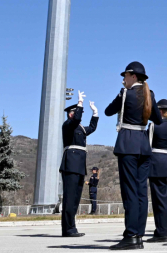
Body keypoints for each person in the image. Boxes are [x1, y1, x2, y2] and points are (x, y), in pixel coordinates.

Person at [104, 61, 163, 250]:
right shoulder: (149, 94)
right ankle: (139, 235)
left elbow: (108, 111)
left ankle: (131, 235)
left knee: (129, 191)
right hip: (143, 145)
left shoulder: (125, 94)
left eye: (126, 76)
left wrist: (122, 93)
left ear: (133, 76)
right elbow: (158, 119)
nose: (124, 79)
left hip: (128, 144)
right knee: (140, 192)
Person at [60, 90, 98, 238]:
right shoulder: (68, 125)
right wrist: (80, 103)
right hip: (70, 164)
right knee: (70, 198)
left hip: (79, 166)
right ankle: (68, 229)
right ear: (71, 114)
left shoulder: (80, 128)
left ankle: (71, 228)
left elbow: (92, 128)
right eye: (76, 112)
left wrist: (95, 113)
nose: (78, 114)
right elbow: (76, 120)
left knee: (75, 198)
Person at [147, 99, 167, 243]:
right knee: (166, 200)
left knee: (159, 201)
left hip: (157, 165)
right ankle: (164, 231)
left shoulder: (154, 125)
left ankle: (161, 233)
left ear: (159, 111)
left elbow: (147, 145)